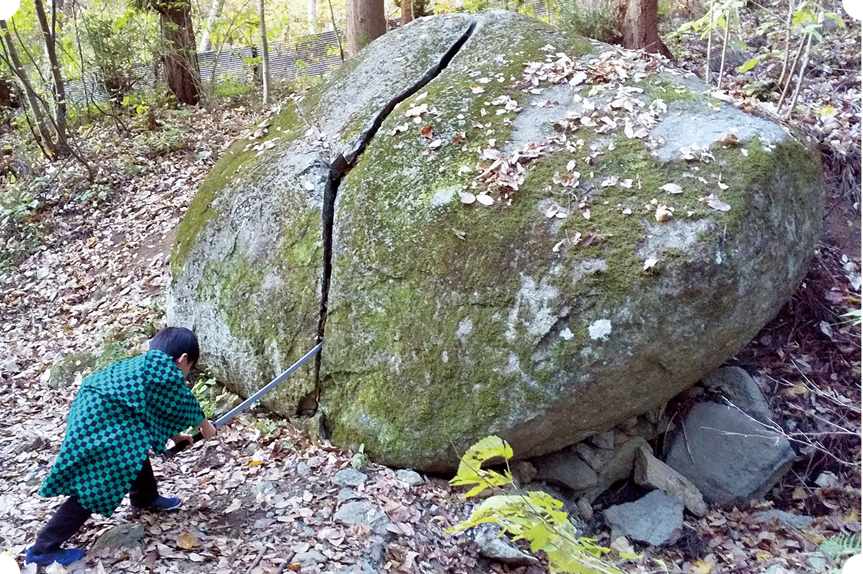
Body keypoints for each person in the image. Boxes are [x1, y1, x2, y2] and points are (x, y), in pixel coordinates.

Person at [25, 327, 217, 566]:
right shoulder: (162, 367)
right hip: (104, 421)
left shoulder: (143, 367)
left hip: (96, 414)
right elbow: (180, 398)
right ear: (183, 358)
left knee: (131, 449)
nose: (185, 374)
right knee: (96, 484)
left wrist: (176, 436)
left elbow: (148, 410)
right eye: (189, 368)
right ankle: (43, 549)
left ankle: (145, 496)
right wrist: (204, 425)